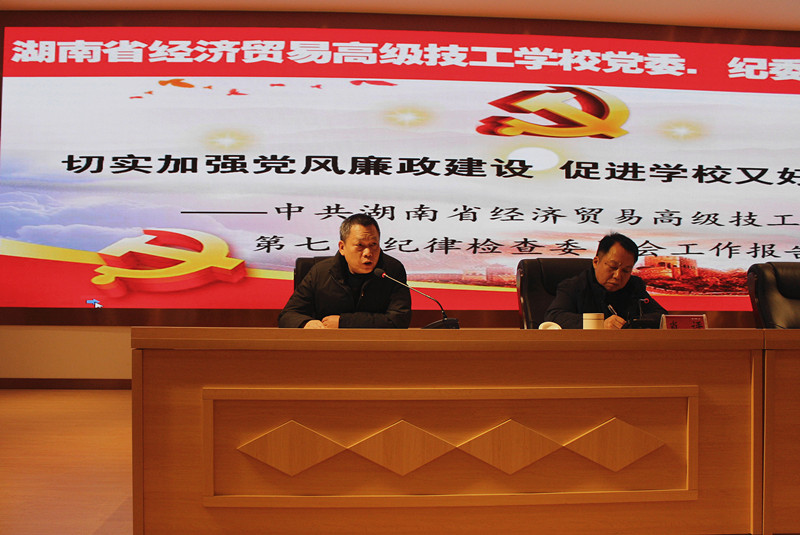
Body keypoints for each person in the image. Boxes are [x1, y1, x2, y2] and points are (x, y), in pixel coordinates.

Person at [278, 214, 411, 329]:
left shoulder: (391, 271)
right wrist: (306, 323)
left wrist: (344, 322)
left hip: (377, 346)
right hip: (328, 346)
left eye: (373, 244)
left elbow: (399, 320)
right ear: (342, 247)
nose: (368, 253)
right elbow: (288, 315)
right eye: (360, 245)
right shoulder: (321, 272)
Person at [544, 233, 667, 329]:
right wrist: (598, 324)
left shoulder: (634, 286)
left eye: (626, 271)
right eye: (613, 267)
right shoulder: (574, 286)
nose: (618, 276)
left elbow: (662, 317)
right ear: (596, 262)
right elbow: (554, 316)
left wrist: (635, 323)